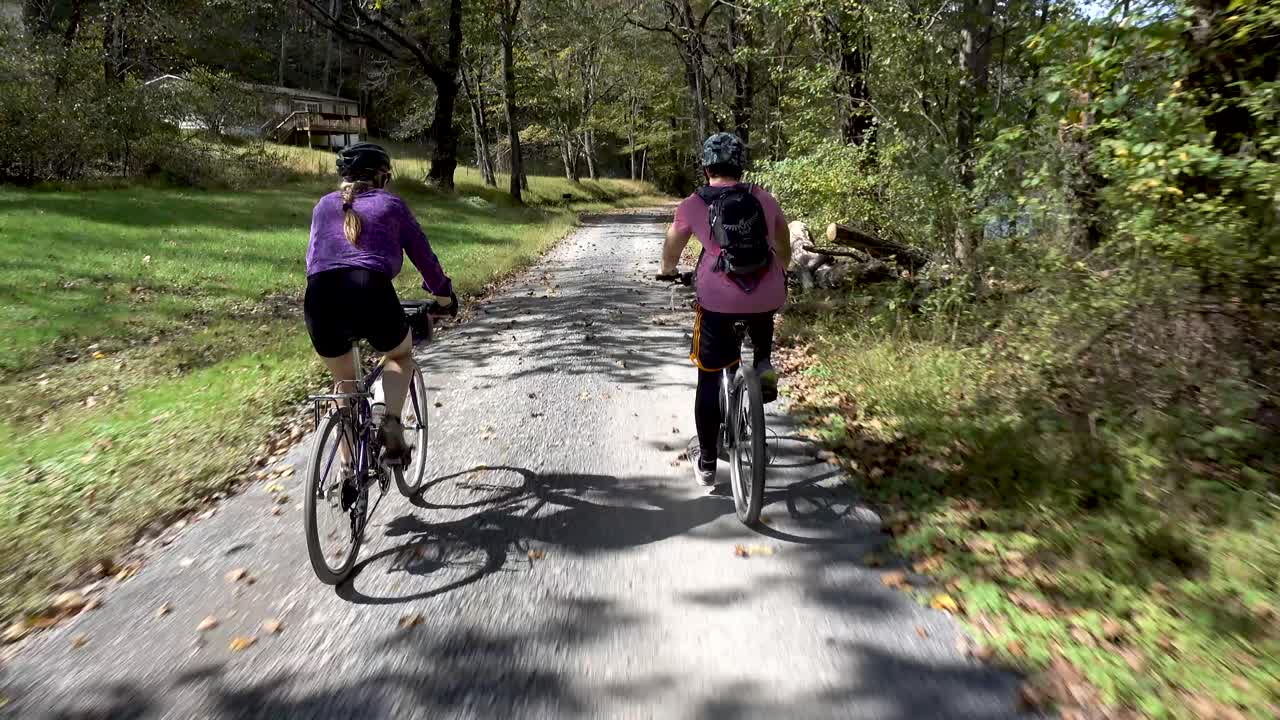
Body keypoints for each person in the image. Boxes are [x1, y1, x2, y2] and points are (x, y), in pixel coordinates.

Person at [304, 142, 456, 463]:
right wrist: (444, 295)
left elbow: (314, 260)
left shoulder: (322, 207)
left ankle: (347, 470)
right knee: (400, 354)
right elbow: (425, 259)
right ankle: (390, 422)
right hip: (369, 289)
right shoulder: (390, 205)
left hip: (319, 297)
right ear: (382, 177)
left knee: (344, 383)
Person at [660, 133, 791, 486]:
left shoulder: (692, 205)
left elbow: (671, 252)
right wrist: (782, 267)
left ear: (706, 169)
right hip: (766, 293)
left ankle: (705, 462)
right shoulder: (763, 198)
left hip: (717, 301)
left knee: (707, 377)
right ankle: (763, 362)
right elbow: (783, 243)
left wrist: (668, 271)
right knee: (762, 310)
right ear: (740, 167)